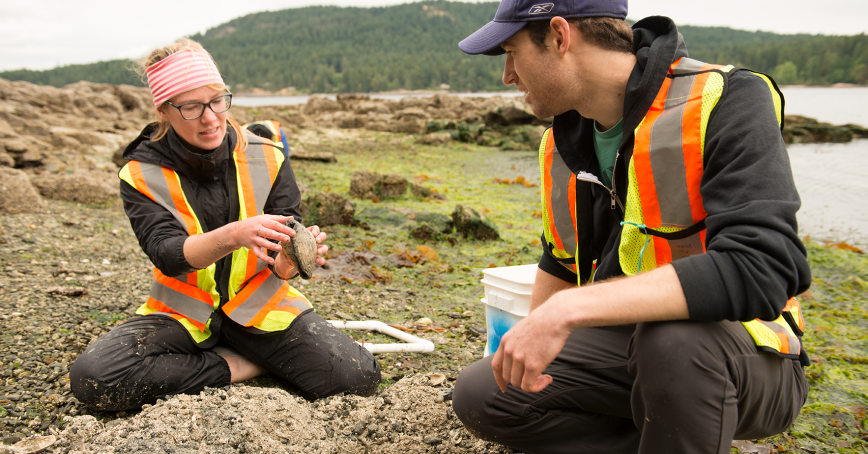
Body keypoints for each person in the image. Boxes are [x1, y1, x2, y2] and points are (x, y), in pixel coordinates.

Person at [451, 1, 810, 453]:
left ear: (560, 37)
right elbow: (561, 264)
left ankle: (692, 424)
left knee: (674, 341)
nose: (507, 75)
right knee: (486, 394)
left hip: (747, 360)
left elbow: (765, 268)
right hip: (632, 351)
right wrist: (524, 345)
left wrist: (565, 313)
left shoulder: (728, 98)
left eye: (512, 51)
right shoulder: (562, 146)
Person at [69, 39, 381, 411]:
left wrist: (287, 263)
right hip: (183, 314)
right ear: (163, 110)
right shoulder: (140, 173)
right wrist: (236, 234)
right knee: (95, 378)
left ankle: (247, 352)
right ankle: (240, 363)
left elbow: (283, 240)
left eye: (217, 100)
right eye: (191, 107)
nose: (210, 117)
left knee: (356, 377)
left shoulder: (268, 156)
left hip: (258, 307)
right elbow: (167, 253)